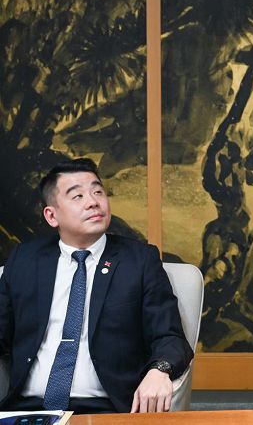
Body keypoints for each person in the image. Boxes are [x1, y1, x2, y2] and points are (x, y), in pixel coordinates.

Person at [0, 158, 193, 414]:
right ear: (52, 215)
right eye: (77, 196)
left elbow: (169, 337)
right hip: (29, 410)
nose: (93, 202)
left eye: (98, 191)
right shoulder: (24, 260)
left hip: (107, 409)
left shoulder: (139, 261)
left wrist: (160, 370)